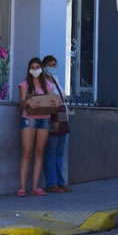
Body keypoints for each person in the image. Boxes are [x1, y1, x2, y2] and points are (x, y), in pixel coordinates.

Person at [17, 57, 59, 197]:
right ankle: (22, 187)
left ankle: (35, 187)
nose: (35, 69)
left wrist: (55, 103)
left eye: (37, 67)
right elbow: (21, 103)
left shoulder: (47, 85)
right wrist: (29, 102)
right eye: (33, 67)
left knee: (39, 153)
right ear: (29, 69)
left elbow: (54, 100)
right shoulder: (24, 84)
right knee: (26, 152)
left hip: (44, 120)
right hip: (29, 120)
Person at [42, 55, 72, 194]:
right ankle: (51, 183)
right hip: (52, 118)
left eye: (54, 64)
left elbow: (62, 95)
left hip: (62, 117)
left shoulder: (56, 79)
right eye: (50, 64)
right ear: (44, 66)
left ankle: (61, 182)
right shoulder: (42, 81)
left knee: (59, 152)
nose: (52, 67)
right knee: (51, 151)